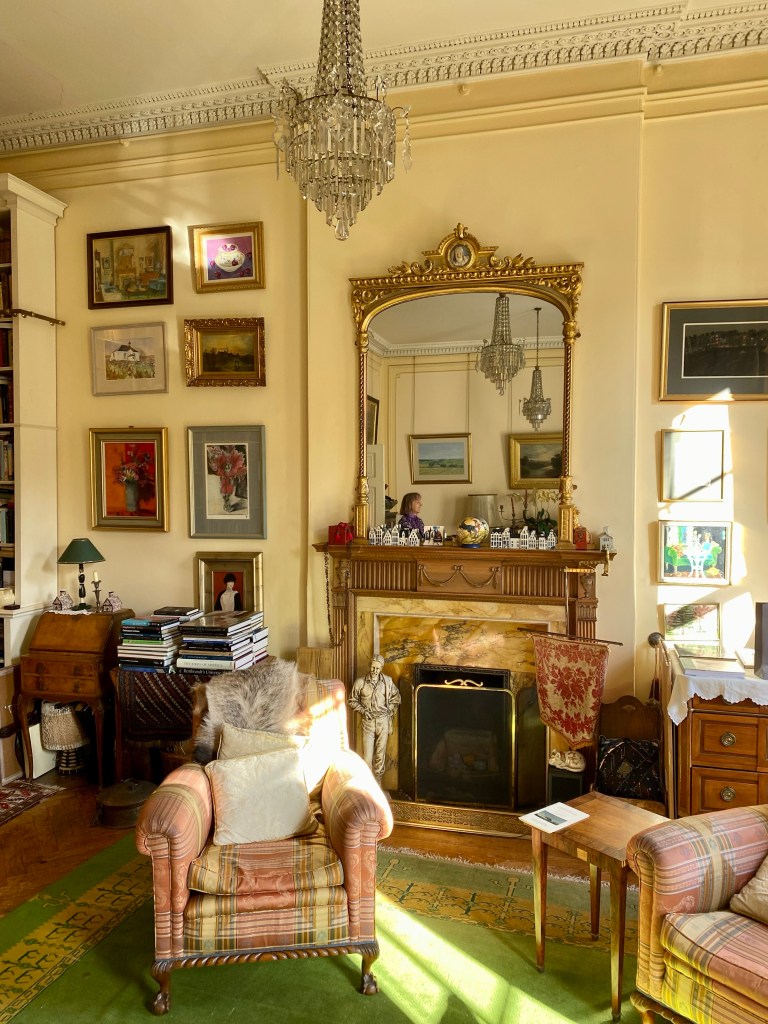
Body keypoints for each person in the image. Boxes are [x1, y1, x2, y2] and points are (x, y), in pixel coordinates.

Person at [347, 655, 401, 786]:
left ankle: (378, 785)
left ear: (381, 668)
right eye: (372, 667)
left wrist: (390, 711)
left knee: (380, 756)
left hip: (383, 721)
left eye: (377, 668)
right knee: (367, 757)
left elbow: (397, 697)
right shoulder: (360, 682)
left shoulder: (388, 681)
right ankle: (367, 786)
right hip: (368, 722)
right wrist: (364, 711)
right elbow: (351, 700)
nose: (374, 670)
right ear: (369, 666)